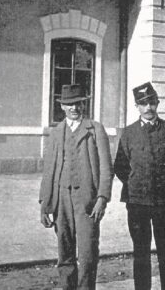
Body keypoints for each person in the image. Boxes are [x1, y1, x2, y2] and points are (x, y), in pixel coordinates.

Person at [114, 82, 165, 290]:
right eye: (143, 104)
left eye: (152, 102)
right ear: (137, 106)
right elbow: (120, 166)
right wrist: (135, 182)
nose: (149, 108)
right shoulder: (128, 133)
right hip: (137, 202)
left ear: (157, 103)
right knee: (141, 253)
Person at [39, 84, 113, 290]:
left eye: (78, 103)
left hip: (87, 201)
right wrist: (45, 204)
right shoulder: (56, 133)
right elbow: (48, 172)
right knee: (65, 252)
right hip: (61, 200)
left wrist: (102, 199)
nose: (74, 108)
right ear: (62, 106)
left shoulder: (95, 129)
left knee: (88, 254)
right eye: (69, 104)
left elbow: (107, 168)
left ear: (83, 104)